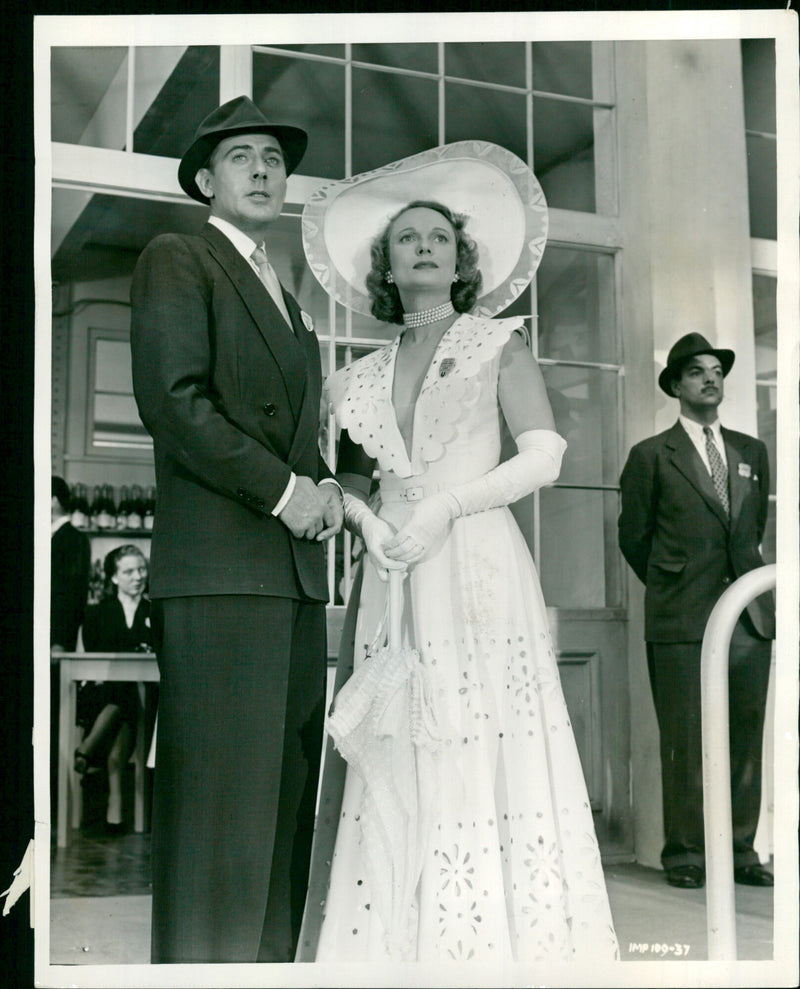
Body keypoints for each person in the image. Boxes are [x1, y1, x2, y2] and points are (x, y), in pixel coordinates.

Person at [298, 142, 619, 963]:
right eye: (408, 237)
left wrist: (446, 503)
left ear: (463, 258)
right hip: (394, 572)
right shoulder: (354, 378)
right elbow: (355, 481)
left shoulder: (495, 342)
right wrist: (370, 525)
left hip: (474, 558)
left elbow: (546, 453)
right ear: (387, 264)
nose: (427, 245)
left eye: (441, 235)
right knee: (399, 736)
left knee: (475, 731)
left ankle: (481, 946)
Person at [130, 95, 342, 963]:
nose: (263, 170)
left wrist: (325, 481)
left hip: (289, 581)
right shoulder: (179, 256)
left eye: (275, 159)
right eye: (243, 157)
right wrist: (288, 492)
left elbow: (302, 435)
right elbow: (175, 405)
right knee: (220, 815)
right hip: (221, 576)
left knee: (278, 810)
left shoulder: (286, 299)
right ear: (205, 179)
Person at [618, 332, 775, 890]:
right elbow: (635, 539)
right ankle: (685, 853)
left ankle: (740, 851)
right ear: (676, 387)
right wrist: (676, 583)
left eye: (717, 370)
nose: (711, 378)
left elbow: (751, 532)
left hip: (749, 620)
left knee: (744, 735)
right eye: (697, 372)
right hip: (680, 616)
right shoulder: (650, 456)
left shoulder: (752, 451)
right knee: (685, 736)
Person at [76, 545, 153, 833]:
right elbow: (97, 654)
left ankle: (85, 750)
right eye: (129, 571)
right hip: (104, 696)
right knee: (123, 692)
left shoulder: (154, 610)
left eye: (141, 569)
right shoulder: (96, 612)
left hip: (145, 700)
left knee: (129, 694)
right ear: (113, 577)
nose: (137, 576)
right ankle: (115, 816)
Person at [50, 476, 90, 653]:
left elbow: (74, 595)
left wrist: (61, 641)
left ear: (54, 500)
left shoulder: (74, 539)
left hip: (56, 640)